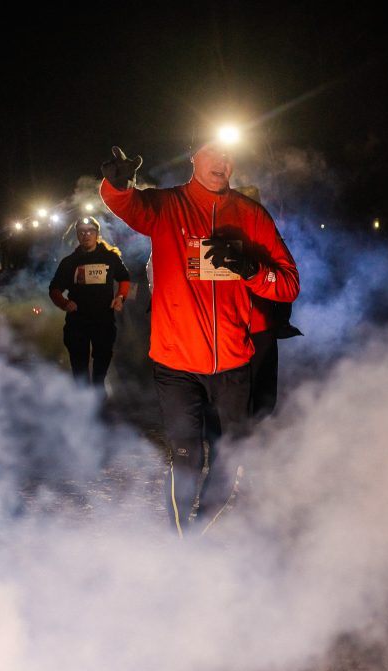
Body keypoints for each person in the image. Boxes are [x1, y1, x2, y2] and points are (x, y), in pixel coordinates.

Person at [100, 139, 300, 536]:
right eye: (213, 153)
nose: (222, 162)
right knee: (187, 456)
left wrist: (251, 269)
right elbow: (126, 205)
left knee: (231, 456)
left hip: (232, 361)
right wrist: (116, 186)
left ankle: (201, 529)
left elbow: (288, 284)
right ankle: (180, 542)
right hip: (176, 362)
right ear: (194, 157)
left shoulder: (250, 215)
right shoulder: (167, 206)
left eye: (229, 155)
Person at [49, 216, 131, 387]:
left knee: (103, 357)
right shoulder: (69, 262)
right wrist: (64, 303)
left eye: (90, 231)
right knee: (79, 365)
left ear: (97, 234)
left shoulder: (110, 258)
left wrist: (120, 297)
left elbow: (124, 278)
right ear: (77, 236)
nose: (86, 235)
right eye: (82, 232)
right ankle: (83, 399)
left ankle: (98, 390)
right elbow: (54, 289)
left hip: (103, 320)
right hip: (78, 321)